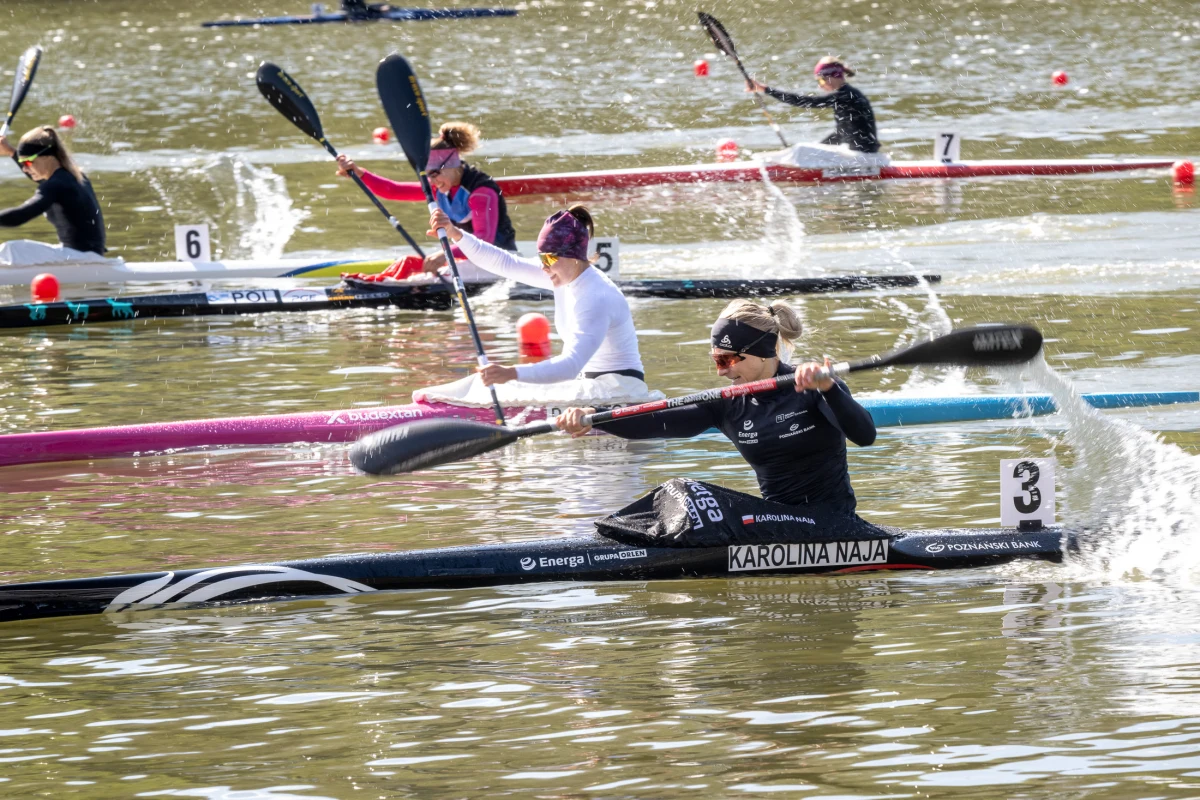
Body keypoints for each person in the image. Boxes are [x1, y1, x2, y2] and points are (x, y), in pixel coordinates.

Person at [556, 298, 876, 512]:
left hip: (833, 522)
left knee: (691, 496)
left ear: (763, 352)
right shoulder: (726, 405)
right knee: (682, 496)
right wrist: (595, 417)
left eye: (726, 359)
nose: (721, 371)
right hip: (777, 521)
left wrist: (830, 389)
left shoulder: (812, 387)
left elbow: (865, 435)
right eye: (715, 360)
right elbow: (658, 420)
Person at [426, 203, 645, 389]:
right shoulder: (564, 276)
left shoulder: (596, 296)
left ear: (574, 256)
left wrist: (510, 373)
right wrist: (455, 233)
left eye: (548, 259)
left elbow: (570, 365)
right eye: (541, 259)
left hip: (621, 390)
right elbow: (504, 262)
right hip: (589, 385)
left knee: (509, 384)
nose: (543, 267)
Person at [336, 121, 516, 280]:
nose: (433, 181)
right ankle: (372, 283)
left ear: (452, 165)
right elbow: (394, 190)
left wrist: (444, 255)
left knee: (413, 267)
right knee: (407, 262)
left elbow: (484, 241)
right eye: (428, 176)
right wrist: (358, 173)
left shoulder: (480, 192)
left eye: (435, 174)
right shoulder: (439, 185)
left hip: (500, 261)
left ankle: (378, 286)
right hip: (471, 258)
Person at [0, 126, 107, 261]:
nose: (25, 169)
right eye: (22, 163)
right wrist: (11, 152)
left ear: (47, 157)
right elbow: (39, 179)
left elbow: (21, 215)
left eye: (27, 162)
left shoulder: (56, 184)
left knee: (11, 250)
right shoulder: (73, 177)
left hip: (80, 258)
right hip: (86, 255)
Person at [749, 56, 881, 156]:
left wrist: (767, 90)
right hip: (865, 150)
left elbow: (805, 101)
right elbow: (842, 132)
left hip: (864, 153)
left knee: (802, 150)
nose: (820, 85)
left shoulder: (846, 96)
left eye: (821, 80)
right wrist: (818, 147)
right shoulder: (849, 94)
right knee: (807, 150)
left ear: (834, 76)